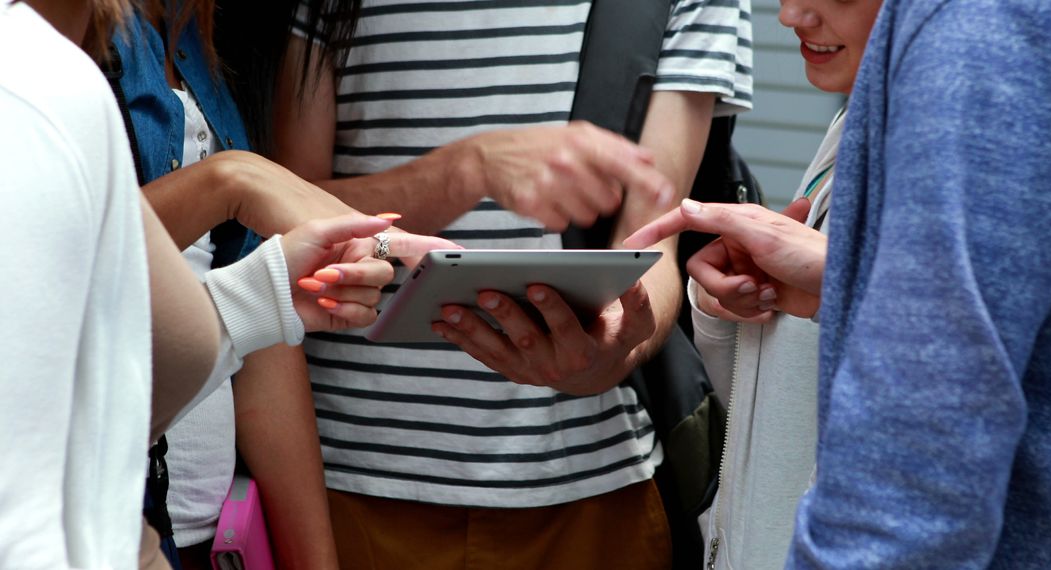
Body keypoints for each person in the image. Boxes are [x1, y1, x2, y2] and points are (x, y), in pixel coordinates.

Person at [261, 1, 753, 567]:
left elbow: (654, 241)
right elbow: (286, 218)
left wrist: (619, 346)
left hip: (588, 485)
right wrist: (467, 170)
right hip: (349, 482)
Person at [626, 0, 1051, 566]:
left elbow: (927, 426)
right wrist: (811, 291)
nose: (791, 15)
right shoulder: (861, 118)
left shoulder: (981, 37)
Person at [0, 1, 451, 566]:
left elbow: (127, 381)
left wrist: (267, 293)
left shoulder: (197, 42)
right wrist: (229, 182)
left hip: (189, 529)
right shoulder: (37, 71)